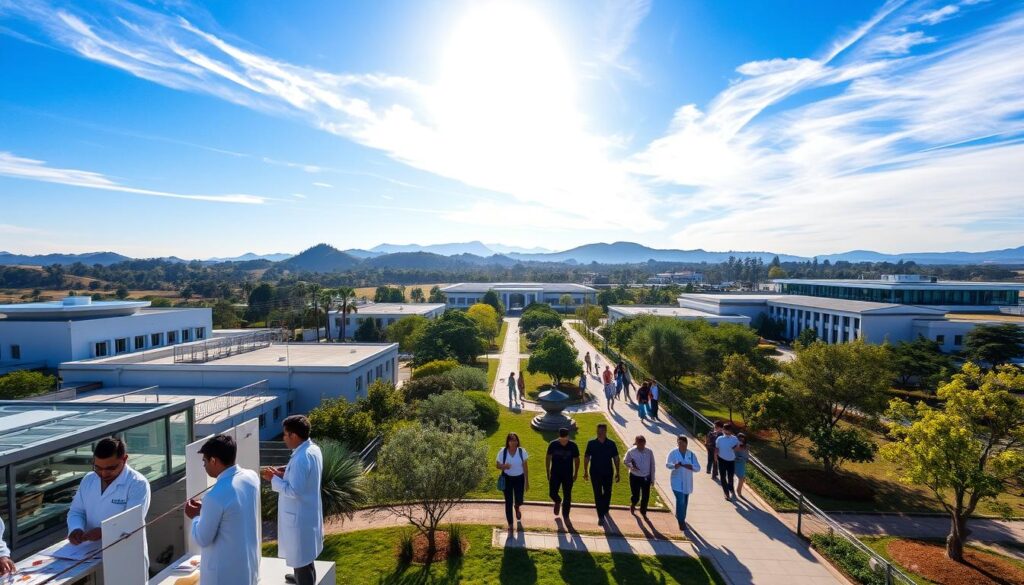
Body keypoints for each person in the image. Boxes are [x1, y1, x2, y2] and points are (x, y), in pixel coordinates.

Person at [186, 434, 260, 585]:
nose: (204, 466)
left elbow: (203, 538)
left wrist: (195, 516)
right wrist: (206, 510)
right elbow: (233, 512)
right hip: (247, 567)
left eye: (204, 461)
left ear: (213, 460)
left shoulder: (214, 496)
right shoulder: (252, 477)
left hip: (224, 574)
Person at [67, 437, 151, 571]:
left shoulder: (137, 484)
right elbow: (77, 511)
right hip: (87, 554)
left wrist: (103, 532)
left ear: (124, 459)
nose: (104, 473)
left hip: (125, 557)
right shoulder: (89, 480)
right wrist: (76, 528)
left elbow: (132, 522)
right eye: (98, 468)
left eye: (110, 468)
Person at [262, 416, 323, 585]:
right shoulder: (312, 449)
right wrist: (285, 473)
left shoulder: (301, 458)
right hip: (306, 513)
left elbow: (294, 490)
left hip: (299, 517)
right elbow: (302, 480)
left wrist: (272, 479)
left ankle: (303, 580)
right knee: (305, 555)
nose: (283, 438)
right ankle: (300, 577)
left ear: (294, 436)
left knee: (301, 557)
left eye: (285, 435)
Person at [583, 424, 620, 524]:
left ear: (605, 431)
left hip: (608, 472)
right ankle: (600, 516)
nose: (600, 433)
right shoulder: (591, 443)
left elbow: (616, 458)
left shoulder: (611, 444)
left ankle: (605, 508)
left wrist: (618, 472)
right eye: (598, 431)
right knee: (597, 493)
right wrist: (585, 471)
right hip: (595, 473)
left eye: (602, 431)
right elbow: (586, 457)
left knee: (607, 492)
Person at [666, 435, 701, 531]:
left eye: (682, 443)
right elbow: (668, 464)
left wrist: (691, 467)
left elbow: (698, 467)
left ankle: (680, 516)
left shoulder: (691, 454)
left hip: (687, 481)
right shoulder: (673, 453)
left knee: (684, 502)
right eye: (679, 443)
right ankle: (681, 522)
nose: (680, 445)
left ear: (686, 443)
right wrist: (674, 466)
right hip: (676, 481)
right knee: (680, 500)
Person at [496, 433, 529, 531]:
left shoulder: (521, 451)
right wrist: (504, 466)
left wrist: (527, 481)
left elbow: (525, 467)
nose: (513, 442)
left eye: (515, 440)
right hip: (507, 479)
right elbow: (497, 465)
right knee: (508, 502)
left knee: (519, 499)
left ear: (518, 441)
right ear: (508, 442)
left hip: (519, 479)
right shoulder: (503, 452)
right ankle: (510, 524)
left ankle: (517, 506)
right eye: (511, 440)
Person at [546, 428, 580, 521]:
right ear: (559, 436)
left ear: (568, 436)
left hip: (568, 475)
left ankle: (566, 515)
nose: (563, 440)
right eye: (562, 438)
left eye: (565, 438)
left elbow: (577, 460)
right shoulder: (553, 444)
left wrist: (576, 473)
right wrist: (547, 471)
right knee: (552, 493)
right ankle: (557, 501)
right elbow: (548, 457)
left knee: (567, 495)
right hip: (555, 474)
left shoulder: (573, 445)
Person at [623, 435, 655, 517]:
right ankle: (633, 504)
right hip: (635, 476)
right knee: (636, 495)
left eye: (643, 444)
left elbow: (652, 465)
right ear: (636, 443)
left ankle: (643, 511)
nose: (641, 446)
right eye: (639, 444)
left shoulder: (649, 452)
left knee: (646, 496)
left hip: (646, 477)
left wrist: (652, 478)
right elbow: (625, 461)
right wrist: (632, 467)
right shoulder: (631, 451)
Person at [715, 423, 740, 500]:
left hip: (731, 460)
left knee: (730, 477)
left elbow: (737, 448)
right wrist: (715, 457)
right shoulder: (719, 439)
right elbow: (717, 449)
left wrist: (735, 448)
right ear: (723, 430)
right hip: (721, 460)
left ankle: (731, 488)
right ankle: (726, 493)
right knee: (722, 477)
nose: (726, 431)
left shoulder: (735, 439)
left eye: (727, 430)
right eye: (724, 430)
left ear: (730, 431)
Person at [734, 433, 750, 498]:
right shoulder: (734, 445)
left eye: (743, 440)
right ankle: (732, 489)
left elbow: (747, 455)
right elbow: (733, 452)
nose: (741, 441)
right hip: (734, 462)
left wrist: (746, 458)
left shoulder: (747, 446)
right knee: (731, 476)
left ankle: (739, 491)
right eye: (740, 439)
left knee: (742, 478)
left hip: (742, 463)